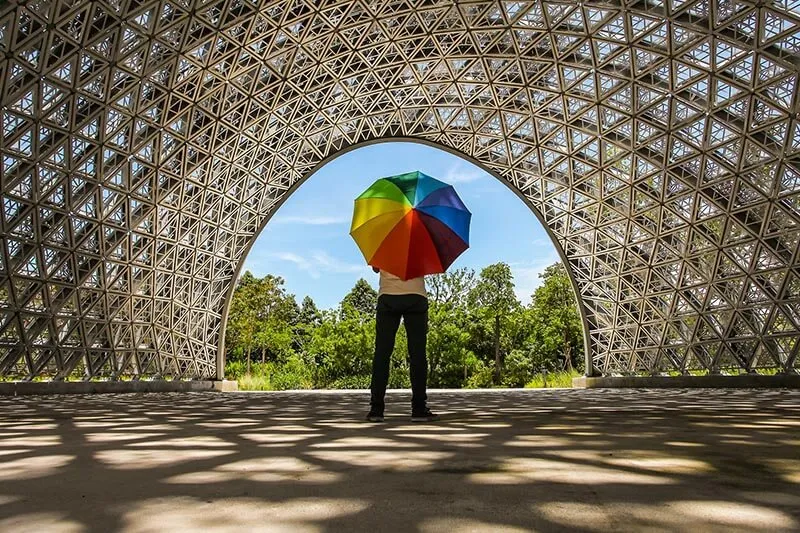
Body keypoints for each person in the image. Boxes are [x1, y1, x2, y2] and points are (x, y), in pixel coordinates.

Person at [366, 266, 439, 423]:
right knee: (418, 354)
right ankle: (419, 408)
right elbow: (428, 266)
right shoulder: (424, 243)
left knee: (382, 354)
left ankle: (376, 409)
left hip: (388, 295)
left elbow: (376, 269)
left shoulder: (381, 242)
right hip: (415, 295)